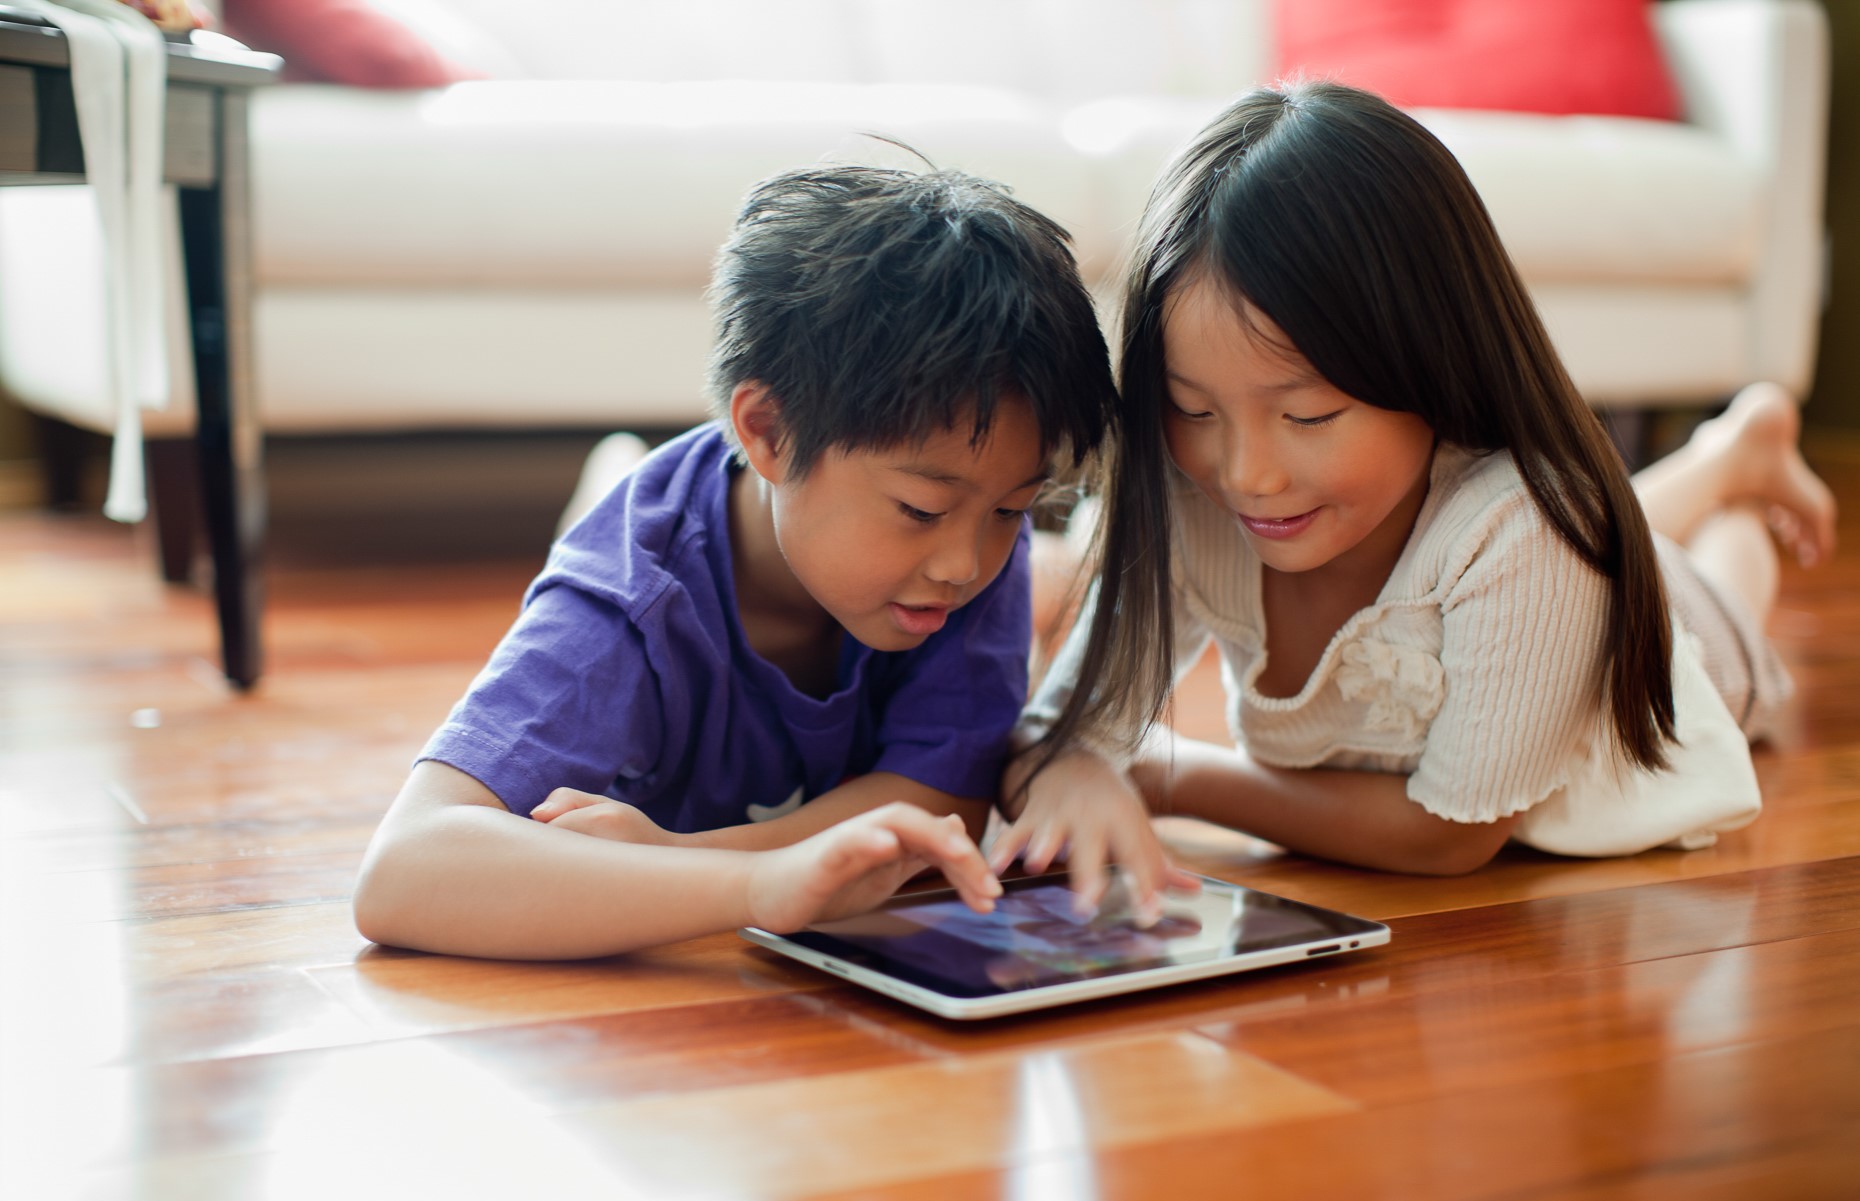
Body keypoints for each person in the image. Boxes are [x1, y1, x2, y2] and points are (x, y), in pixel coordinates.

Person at [994, 81, 1838, 918]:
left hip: (1662, 634)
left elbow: (1448, 839)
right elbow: (1058, 731)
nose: (1247, 473)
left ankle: (1737, 486)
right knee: (1557, 538)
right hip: (1522, 553)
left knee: (1714, 586)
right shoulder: (1192, 502)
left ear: (1431, 364)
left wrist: (1166, 774)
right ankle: (1728, 456)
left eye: (1308, 414)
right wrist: (1070, 763)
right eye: (1193, 409)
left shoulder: (1532, 533)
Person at [352, 161, 1120, 959]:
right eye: (919, 510)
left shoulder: (963, 526)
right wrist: (757, 886)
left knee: (1047, 584)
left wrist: (685, 860)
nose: (966, 563)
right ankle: (610, 476)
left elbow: (944, 807)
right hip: (651, 538)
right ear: (771, 433)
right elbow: (404, 872)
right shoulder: (625, 598)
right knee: (610, 522)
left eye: (1014, 509)